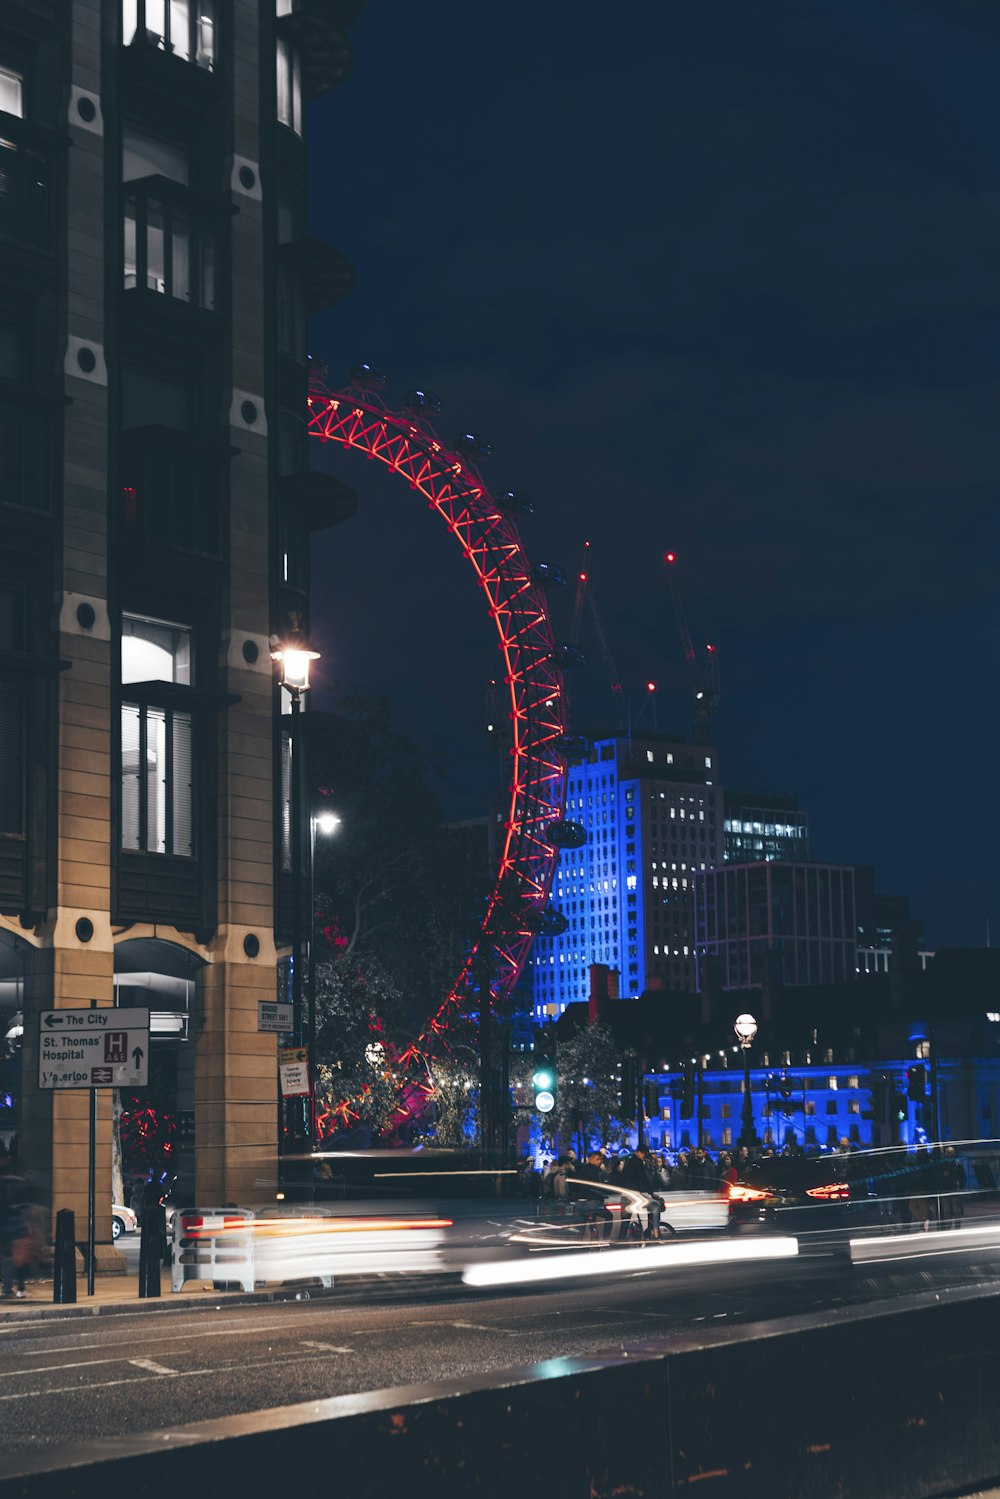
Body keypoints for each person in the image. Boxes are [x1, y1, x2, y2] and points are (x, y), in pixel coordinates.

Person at [618, 1145, 663, 1240]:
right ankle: (656, 1233)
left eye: (645, 1153)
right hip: (634, 1196)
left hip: (625, 1196)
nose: (643, 1155)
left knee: (625, 1223)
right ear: (637, 1152)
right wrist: (651, 1193)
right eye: (642, 1152)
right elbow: (643, 1179)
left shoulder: (628, 1162)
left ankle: (619, 1243)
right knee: (655, 1206)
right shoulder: (638, 1163)